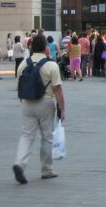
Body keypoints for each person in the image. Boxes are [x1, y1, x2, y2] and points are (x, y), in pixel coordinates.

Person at [12, 35, 66, 184]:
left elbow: (18, 86)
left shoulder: (23, 64)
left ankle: (19, 163)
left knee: (27, 135)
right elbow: (58, 89)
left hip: (27, 102)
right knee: (47, 136)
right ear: (45, 48)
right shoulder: (51, 65)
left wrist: (22, 102)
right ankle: (46, 169)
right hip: (46, 102)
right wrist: (62, 108)